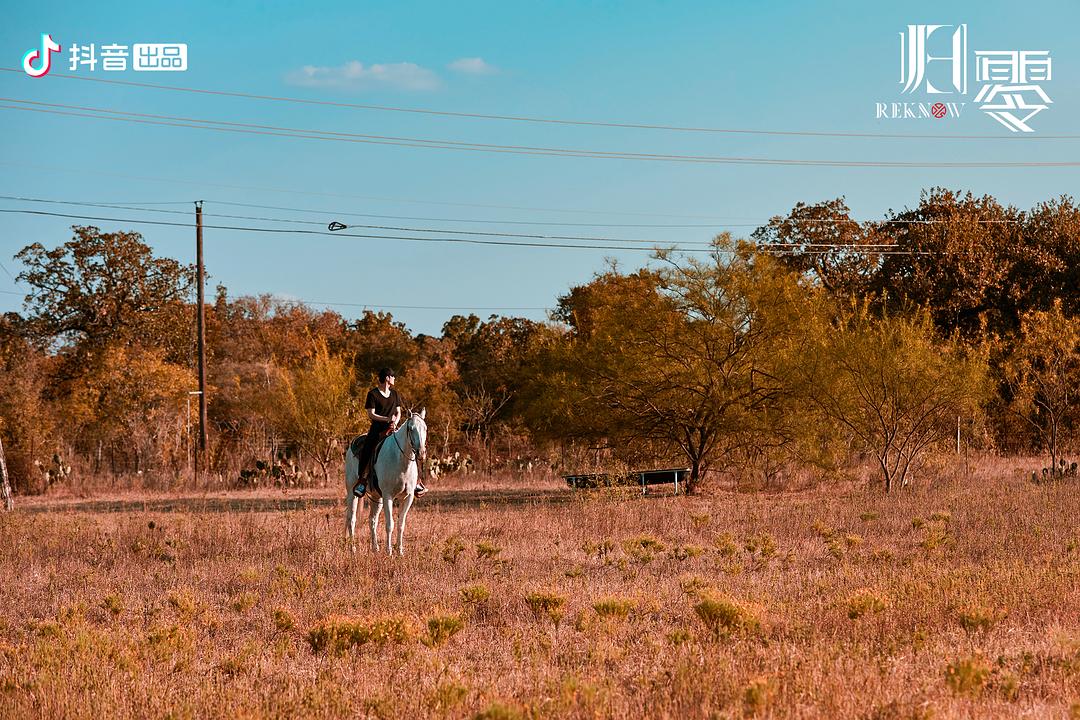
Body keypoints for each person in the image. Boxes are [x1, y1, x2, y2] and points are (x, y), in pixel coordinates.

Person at [352, 368, 427, 498]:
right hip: (377, 430)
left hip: (393, 428)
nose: (394, 379)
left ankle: (417, 482)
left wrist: (395, 422)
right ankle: (362, 481)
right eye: (393, 376)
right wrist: (386, 419)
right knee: (368, 448)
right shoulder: (373, 394)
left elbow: (398, 412)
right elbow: (371, 414)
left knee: (412, 449)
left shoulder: (394, 394)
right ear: (387, 378)